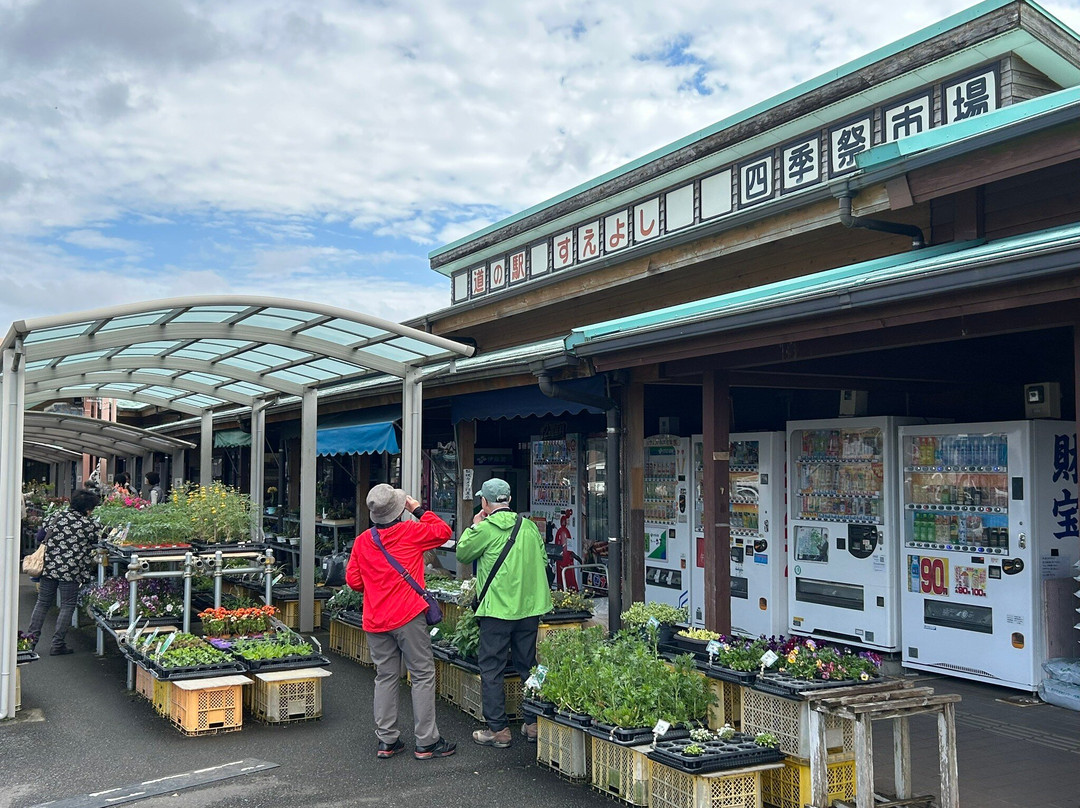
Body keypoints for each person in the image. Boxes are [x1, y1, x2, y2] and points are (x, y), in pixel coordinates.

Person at [345, 484, 456, 760]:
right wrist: (416, 508)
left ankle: (387, 740)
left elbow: (353, 581)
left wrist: (376, 585)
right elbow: (444, 532)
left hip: (375, 619)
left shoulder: (362, 541)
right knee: (422, 675)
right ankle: (427, 742)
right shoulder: (410, 532)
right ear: (398, 509)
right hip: (408, 616)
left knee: (385, 677)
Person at [456, 477, 553, 748]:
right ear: (508, 500)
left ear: (485, 503)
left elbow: (463, 553)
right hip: (529, 609)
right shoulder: (530, 527)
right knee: (528, 665)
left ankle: (498, 730)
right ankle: (532, 723)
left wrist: (474, 526)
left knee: (492, 667)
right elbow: (544, 562)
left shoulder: (485, 528)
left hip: (497, 610)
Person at [25, 487, 102, 655]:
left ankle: (30, 642)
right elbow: (99, 542)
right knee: (67, 605)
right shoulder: (90, 525)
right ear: (88, 509)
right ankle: (57, 644)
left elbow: (40, 537)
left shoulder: (56, 517)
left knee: (43, 603)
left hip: (49, 568)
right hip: (72, 571)